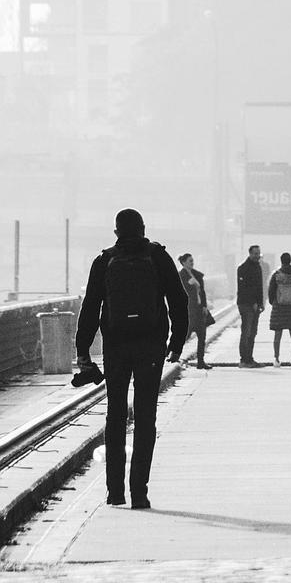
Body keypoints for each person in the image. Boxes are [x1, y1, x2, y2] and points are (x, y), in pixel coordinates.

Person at [75, 207, 188, 509]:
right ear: (143, 228)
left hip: (116, 346)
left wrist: (83, 350)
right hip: (151, 346)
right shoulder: (158, 257)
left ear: (116, 232)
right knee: (146, 417)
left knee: (115, 417)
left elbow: (89, 308)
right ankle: (139, 492)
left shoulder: (104, 260)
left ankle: (114, 492)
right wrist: (176, 343)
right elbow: (179, 299)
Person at [268, 252, 291, 366]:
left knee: (277, 334)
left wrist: (273, 301)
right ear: (290, 260)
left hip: (279, 307)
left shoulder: (277, 275)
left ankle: (277, 359)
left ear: (281, 261)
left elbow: (271, 290)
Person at [178, 252, 212, 370]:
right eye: (190, 261)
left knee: (202, 336)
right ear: (183, 263)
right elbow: (180, 292)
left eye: (193, 260)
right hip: (189, 311)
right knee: (185, 336)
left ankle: (201, 361)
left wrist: (204, 306)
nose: (192, 263)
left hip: (198, 310)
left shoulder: (196, 275)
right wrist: (188, 284)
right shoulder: (181, 275)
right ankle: (174, 355)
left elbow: (202, 292)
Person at [236, 244, 265, 366]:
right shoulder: (243, 268)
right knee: (246, 332)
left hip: (255, 305)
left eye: (258, 253)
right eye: (255, 254)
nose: (257, 256)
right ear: (250, 253)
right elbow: (244, 288)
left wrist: (260, 302)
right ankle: (244, 359)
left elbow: (259, 286)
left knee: (253, 332)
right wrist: (253, 302)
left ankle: (249, 358)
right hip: (245, 304)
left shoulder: (258, 267)